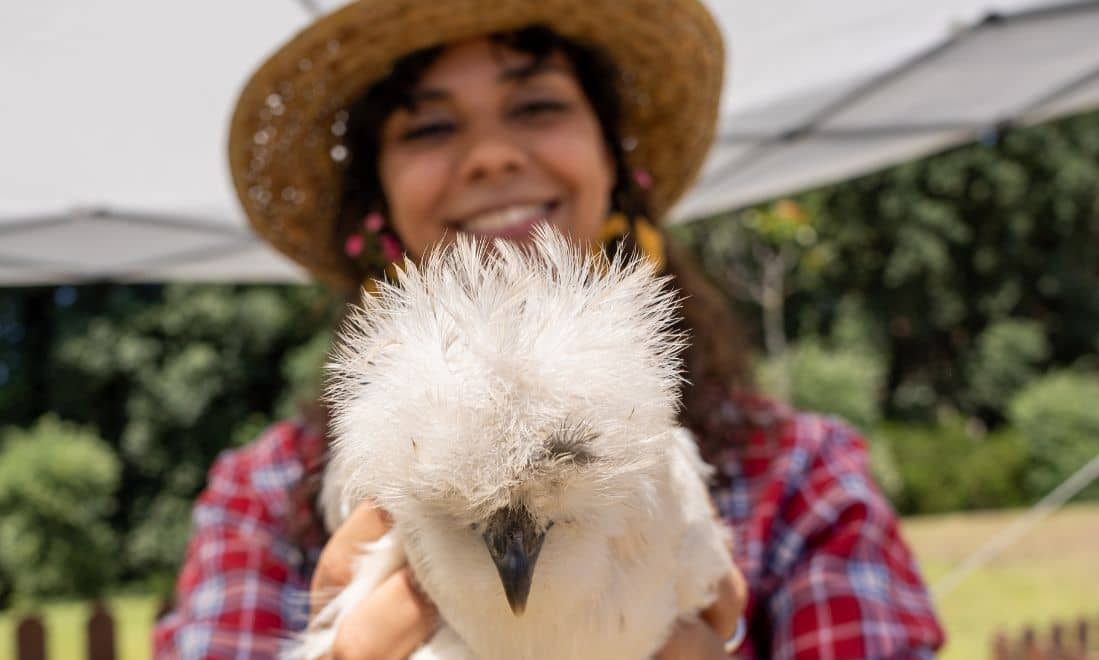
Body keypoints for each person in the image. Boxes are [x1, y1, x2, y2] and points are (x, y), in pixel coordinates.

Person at [154, 1, 945, 658]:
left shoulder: (800, 478)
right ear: (378, 207)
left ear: (617, 168)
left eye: (537, 106)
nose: (493, 156)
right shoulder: (261, 498)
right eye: (428, 129)